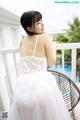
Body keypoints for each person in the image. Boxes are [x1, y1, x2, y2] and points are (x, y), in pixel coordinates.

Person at [8, 11, 71, 120]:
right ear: (29, 28)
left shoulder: (22, 42)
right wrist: (52, 46)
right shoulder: (44, 38)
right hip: (41, 88)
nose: (42, 24)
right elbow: (51, 62)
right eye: (37, 23)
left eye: (41, 21)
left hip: (22, 90)